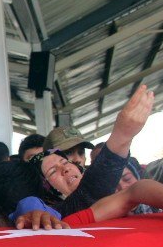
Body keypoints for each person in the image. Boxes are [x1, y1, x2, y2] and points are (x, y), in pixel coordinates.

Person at [29, 85, 154, 218]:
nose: (77, 160)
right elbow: (90, 193)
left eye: (80, 152)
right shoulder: (49, 215)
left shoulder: (115, 194)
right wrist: (122, 135)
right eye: (69, 153)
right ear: (44, 184)